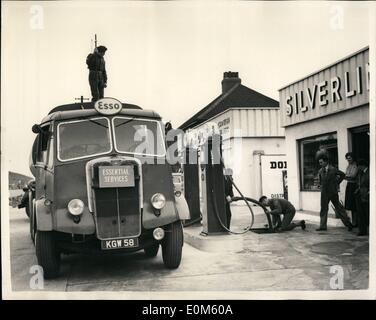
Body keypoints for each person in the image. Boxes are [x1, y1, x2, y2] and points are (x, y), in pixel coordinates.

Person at [316, 154, 353, 231]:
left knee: (339, 208)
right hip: (324, 193)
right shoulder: (320, 171)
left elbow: (342, 175)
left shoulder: (333, 169)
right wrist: (320, 186)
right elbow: (320, 181)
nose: (320, 164)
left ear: (326, 162)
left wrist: (337, 183)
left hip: (333, 192)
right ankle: (322, 226)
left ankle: (348, 224)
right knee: (323, 209)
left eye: (321, 162)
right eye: (319, 162)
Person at [354, 159, 369, 236]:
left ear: (361, 166)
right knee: (360, 213)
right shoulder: (360, 173)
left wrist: (369, 192)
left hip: (367, 196)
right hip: (360, 195)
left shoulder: (370, 172)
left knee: (368, 213)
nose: (357, 167)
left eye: (358, 166)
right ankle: (362, 231)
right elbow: (359, 183)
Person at [344, 152, 358, 226]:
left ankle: (356, 222)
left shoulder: (355, 165)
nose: (348, 160)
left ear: (353, 158)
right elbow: (346, 175)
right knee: (350, 205)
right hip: (349, 185)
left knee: (354, 204)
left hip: (354, 185)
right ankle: (354, 222)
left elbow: (353, 175)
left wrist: (346, 176)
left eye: (350, 158)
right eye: (347, 158)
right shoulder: (348, 166)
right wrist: (346, 176)